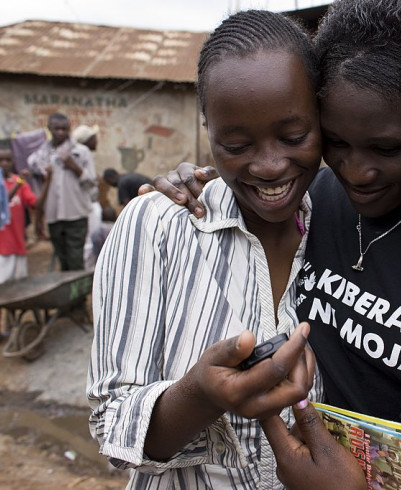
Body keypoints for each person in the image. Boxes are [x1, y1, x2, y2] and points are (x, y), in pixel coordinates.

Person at [147, 0, 401, 481]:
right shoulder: (314, 201)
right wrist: (194, 185)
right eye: (336, 142)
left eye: (387, 148)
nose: (357, 172)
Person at [86, 10, 351, 489]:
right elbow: (111, 427)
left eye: (294, 137)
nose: (270, 166)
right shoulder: (158, 225)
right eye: (235, 144)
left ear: (322, 120)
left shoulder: (341, 226)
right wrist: (202, 395)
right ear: (207, 129)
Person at [0, 145, 37, 349]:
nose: (4, 164)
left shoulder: (18, 182)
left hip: (17, 245)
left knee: (15, 290)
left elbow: (34, 202)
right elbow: (3, 202)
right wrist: (21, 181)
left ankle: (10, 326)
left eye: (7, 160)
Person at [28, 112, 96, 271]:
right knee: (63, 260)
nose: (60, 132)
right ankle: (67, 294)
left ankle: (78, 295)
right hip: (53, 216)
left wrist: (74, 166)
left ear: (69, 129)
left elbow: (91, 182)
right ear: (49, 128)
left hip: (76, 214)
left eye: (64, 129)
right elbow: (34, 173)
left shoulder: (81, 151)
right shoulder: (42, 154)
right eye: (56, 129)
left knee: (75, 260)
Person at [72, 124, 102, 270]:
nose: (96, 140)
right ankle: (88, 271)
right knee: (89, 241)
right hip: (87, 204)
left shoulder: (83, 154)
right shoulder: (83, 154)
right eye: (93, 137)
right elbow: (88, 181)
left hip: (87, 204)